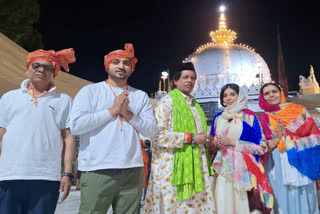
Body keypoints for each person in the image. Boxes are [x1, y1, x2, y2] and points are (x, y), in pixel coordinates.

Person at [70, 43, 157, 214]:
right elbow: (75, 126)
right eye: (116, 62)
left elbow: (151, 131)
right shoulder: (90, 91)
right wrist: (112, 111)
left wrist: (127, 114)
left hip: (133, 169)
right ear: (107, 65)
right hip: (98, 168)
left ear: (132, 68)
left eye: (126, 63)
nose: (121, 66)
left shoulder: (139, 96)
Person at [0, 48, 76, 214]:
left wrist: (67, 173)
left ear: (54, 73)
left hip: (46, 176)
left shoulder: (63, 100)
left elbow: (68, 138)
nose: (41, 70)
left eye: (48, 68)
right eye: (36, 66)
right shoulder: (8, 98)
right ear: (28, 69)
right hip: (9, 174)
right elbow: (1, 136)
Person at [144, 62, 216, 213]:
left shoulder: (195, 105)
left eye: (193, 78)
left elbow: (199, 135)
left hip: (195, 166)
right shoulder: (167, 103)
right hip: (171, 169)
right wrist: (191, 138)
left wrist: (206, 140)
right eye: (185, 77)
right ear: (175, 81)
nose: (190, 80)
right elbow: (157, 136)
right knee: (174, 207)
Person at [210, 83, 273, 214]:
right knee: (224, 202)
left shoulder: (249, 117)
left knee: (243, 204)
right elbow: (211, 145)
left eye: (232, 94)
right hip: (223, 170)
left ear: (240, 96)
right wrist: (215, 144)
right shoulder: (218, 118)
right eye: (225, 95)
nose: (228, 98)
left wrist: (233, 142)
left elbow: (261, 147)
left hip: (245, 170)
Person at [258, 82, 320, 214]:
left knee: (304, 196)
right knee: (282, 198)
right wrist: (277, 139)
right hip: (275, 163)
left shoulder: (299, 110)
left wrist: (290, 141)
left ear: (280, 92)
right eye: (267, 93)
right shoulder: (263, 118)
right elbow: (262, 145)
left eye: (274, 91)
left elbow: (315, 136)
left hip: (302, 160)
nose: (271, 95)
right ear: (263, 97)